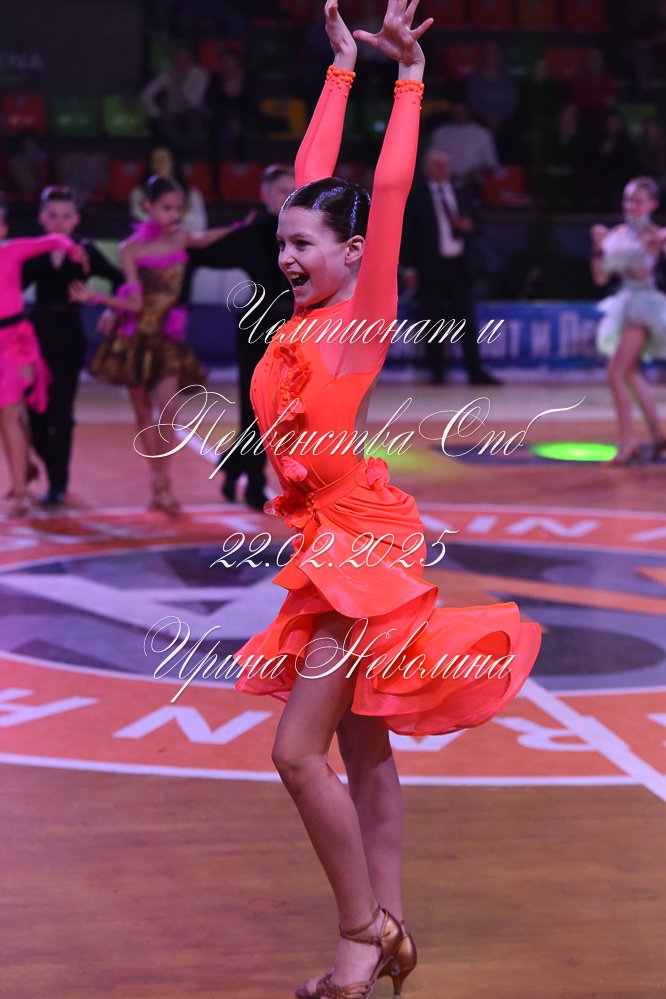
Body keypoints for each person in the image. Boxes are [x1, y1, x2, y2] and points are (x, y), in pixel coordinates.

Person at [232, 3, 541, 997]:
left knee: (296, 752)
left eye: (305, 245)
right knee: (361, 749)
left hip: (359, 552)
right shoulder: (296, 319)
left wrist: (408, 78)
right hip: (328, 540)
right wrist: (338, 71)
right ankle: (383, 934)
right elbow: (310, 178)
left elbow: (389, 191)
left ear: (353, 252)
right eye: (282, 243)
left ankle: (362, 930)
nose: (288, 257)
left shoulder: (360, 315)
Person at [70, 174, 240, 514]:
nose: (173, 215)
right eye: (166, 208)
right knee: (143, 412)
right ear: (147, 206)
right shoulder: (130, 249)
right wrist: (100, 300)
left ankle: (163, 478)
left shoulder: (181, 237)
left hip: (167, 338)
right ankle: (158, 481)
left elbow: (204, 238)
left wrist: (240, 228)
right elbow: (134, 303)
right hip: (134, 337)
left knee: (170, 411)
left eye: (178, 208)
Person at [185, 163, 295, 510]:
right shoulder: (253, 234)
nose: (288, 197)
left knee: (282, 412)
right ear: (265, 195)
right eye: (281, 190)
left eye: (294, 190)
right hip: (258, 327)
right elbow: (200, 255)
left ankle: (233, 466)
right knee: (257, 410)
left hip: (297, 329)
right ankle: (254, 483)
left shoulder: (310, 234)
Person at [22, 186, 123, 506]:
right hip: (35, 335)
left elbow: (120, 279)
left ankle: (58, 483)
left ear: (76, 219)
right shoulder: (32, 250)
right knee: (35, 411)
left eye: (66, 216)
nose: (59, 222)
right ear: (42, 218)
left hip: (69, 335)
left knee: (61, 411)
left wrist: (109, 308)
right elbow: (11, 286)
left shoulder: (85, 249)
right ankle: (48, 463)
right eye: (52, 215)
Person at [0, 194, 83, 516]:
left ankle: (21, 492)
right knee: (7, 417)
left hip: (14, 342)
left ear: (3, 228)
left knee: (9, 414)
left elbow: (54, 240)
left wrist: (72, 249)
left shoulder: (12, 250)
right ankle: (26, 470)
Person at [401, 149, 501, 385]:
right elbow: (408, 235)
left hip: (459, 264)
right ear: (427, 168)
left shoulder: (461, 193)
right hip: (430, 267)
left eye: (445, 165)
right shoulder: (417, 196)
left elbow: (478, 225)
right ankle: (436, 371)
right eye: (436, 165)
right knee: (432, 318)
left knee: (466, 319)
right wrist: (410, 269)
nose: (441, 169)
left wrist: (468, 225)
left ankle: (475, 370)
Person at [591, 176, 666, 465]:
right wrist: (598, 245)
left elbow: (642, 266)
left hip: (644, 307)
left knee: (615, 373)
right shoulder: (618, 234)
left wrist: (657, 241)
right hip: (626, 304)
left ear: (652, 204)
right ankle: (657, 437)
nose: (631, 206)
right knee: (630, 374)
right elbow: (600, 277)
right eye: (628, 200)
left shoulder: (653, 235)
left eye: (638, 201)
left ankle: (628, 442)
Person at [141, 46, 209, 152]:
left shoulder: (200, 74)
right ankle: (187, 151)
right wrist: (157, 113)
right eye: (179, 59)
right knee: (165, 122)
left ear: (191, 59)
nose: (183, 62)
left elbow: (194, 101)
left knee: (193, 116)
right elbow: (146, 94)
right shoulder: (167, 74)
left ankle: (195, 152)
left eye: (186, 59)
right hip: (172, 113)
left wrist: (181, 81)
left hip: (193, 112)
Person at [129, 146, 207, 232]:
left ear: (173, 163)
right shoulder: (139, 193)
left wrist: (179, 222)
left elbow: (199, 225)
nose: (160, 165)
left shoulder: (192, 193)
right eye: (156, 161)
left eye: (164, 160)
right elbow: (139, 219)